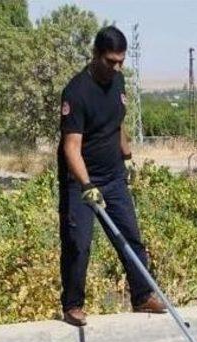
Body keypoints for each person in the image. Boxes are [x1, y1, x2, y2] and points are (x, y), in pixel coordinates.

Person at [57, 25, 165, 326]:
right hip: (81, 181)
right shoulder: (76, 92)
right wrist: (86, 184)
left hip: (114, 176)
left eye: (120, 62)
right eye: (110, 61)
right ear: (95, 54)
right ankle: (73, 305)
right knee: (78, 243)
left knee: (130, 238)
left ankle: (142, 296)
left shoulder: (118, 83)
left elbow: (117, 125)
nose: (116, 68)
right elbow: (71, 147)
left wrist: (127, 156)